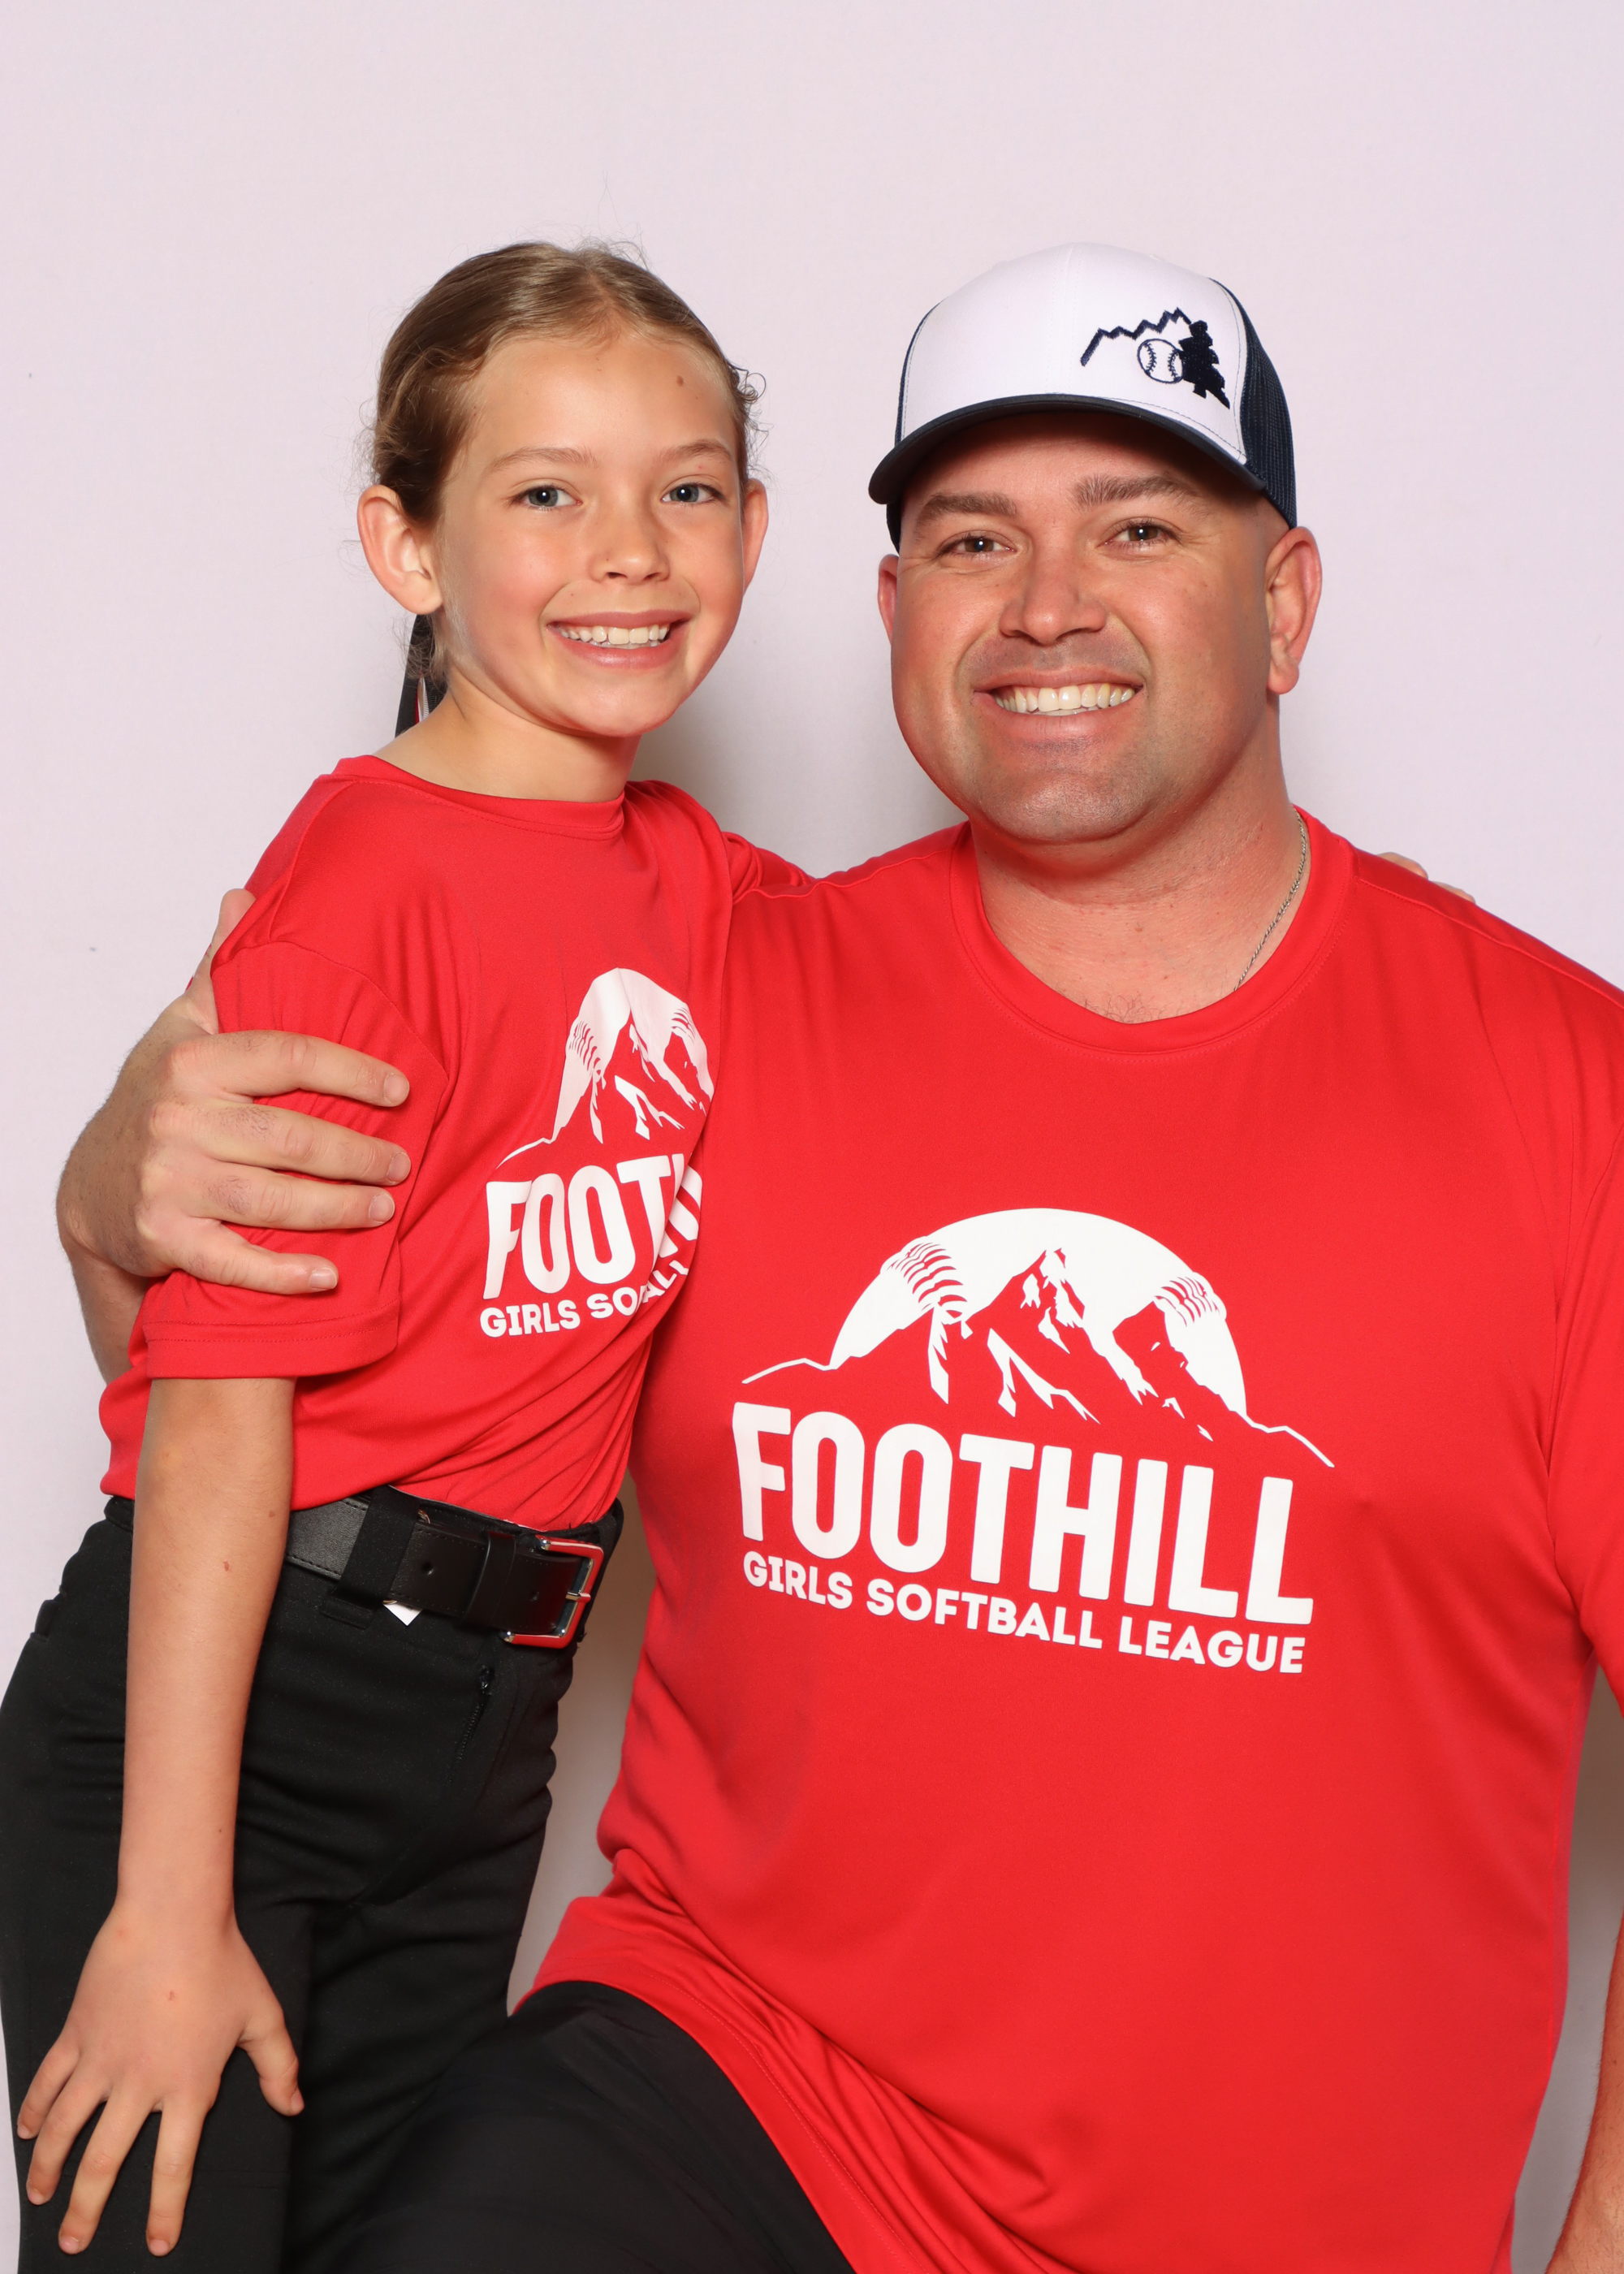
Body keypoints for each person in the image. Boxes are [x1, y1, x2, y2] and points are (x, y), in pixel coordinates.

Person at [45, 240, 1623, 2272]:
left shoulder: (1559, 1094)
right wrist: (108, 1183)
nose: (1046, 603)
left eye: (1137, 526)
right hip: (725, 2096)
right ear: (890, 610)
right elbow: (304, 1360)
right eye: (972, 539)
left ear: (1285, 603)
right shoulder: (726, 982)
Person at [0, 237, 783, 2272]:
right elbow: (214, 1410)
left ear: (755, 528)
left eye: (687, 486)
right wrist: (166, 1908)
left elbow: (961, 970)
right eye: (546, 491)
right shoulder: (367, 877)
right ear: (407, 546)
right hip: (237, 1705)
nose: (630, 547)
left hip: (490, 1729)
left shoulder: (704, 887)